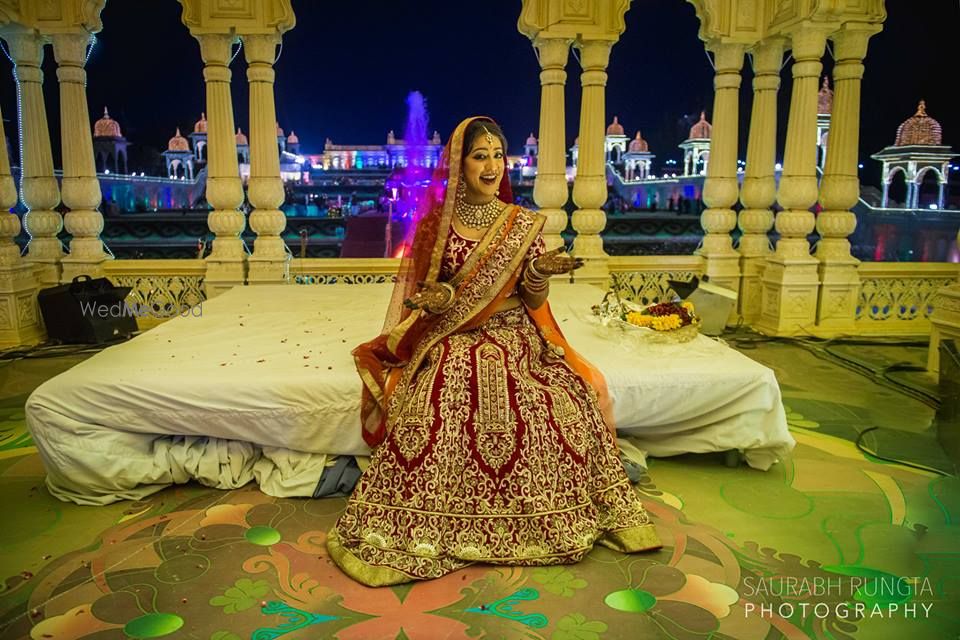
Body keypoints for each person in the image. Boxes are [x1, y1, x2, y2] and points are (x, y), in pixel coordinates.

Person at [327, 116, 661, 586]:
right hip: (456, 333)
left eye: (497, 156)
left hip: (515, 329)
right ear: (459, 165)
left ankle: (563, 510)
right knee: (445, 393)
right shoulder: (435, 227)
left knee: (557, 396)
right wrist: (438, 298)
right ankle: (431, 520)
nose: (491, 166)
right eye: (479, 156)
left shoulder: (521, 224)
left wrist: (540, 275)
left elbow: (533, 300)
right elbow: (427, 293)